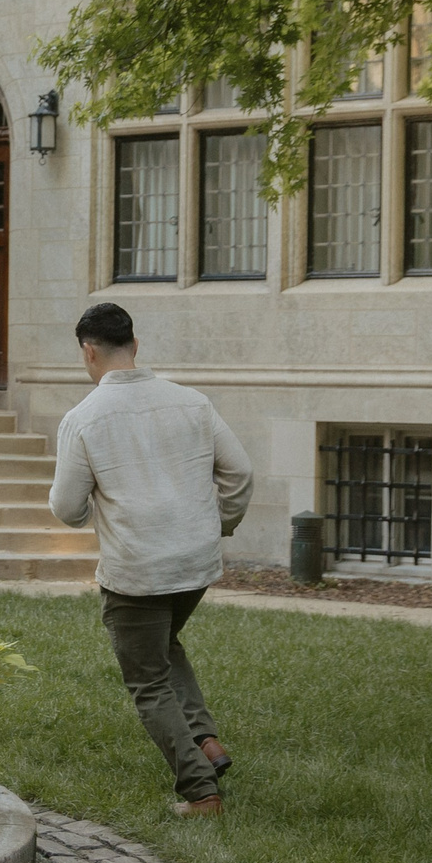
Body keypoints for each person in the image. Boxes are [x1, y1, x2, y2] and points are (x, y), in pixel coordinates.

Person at [47, 302, 254, 817]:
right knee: (163, 644)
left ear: (88, 352)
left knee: (148, 681)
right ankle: (206, 740)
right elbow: (239, 474)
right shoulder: (193, 402)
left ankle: (201, 792)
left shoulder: (82, 418)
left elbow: (67, 508)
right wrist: (220, 524)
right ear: (135, 345)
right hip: (195, 564)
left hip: (137, 570)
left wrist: (93, 506)